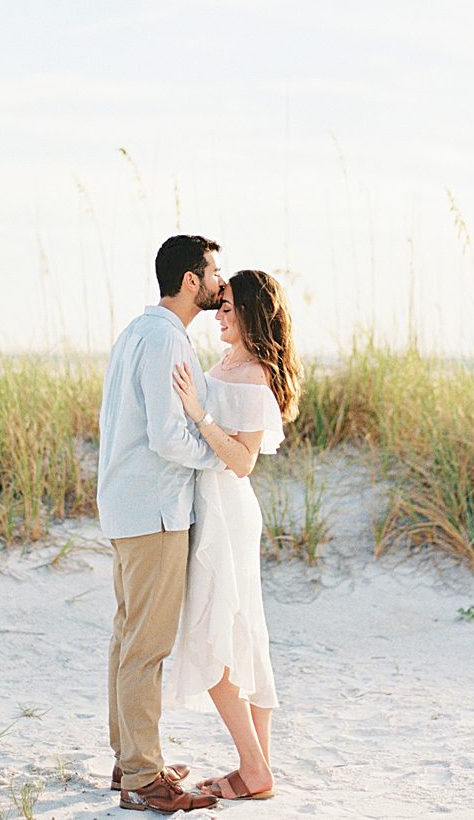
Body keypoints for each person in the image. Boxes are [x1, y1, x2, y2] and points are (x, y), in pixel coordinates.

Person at [98, 234, 228, 813]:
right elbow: (166, 436)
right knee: (146, 646)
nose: (220, 281)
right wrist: (218, 452)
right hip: (153, 509)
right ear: (190, 280)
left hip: (130, 506)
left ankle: (132, 760)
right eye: (213, 272)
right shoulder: (163, 339)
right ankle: (144, 778)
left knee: (129, 639)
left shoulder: (138, 331)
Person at [167, 269, 302, 803]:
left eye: (227, 308)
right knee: (240, 633)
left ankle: (253, 767)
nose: (218, 315)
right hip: (214, 505)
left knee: (217, 635)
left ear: (251, 313)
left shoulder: (253, 375)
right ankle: (257, 770)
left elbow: (243, 462)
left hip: (227, 509)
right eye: (219, 306)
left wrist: (198, 413)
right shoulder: (229, 363)